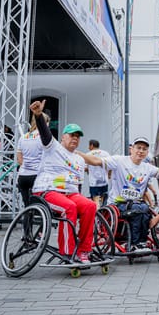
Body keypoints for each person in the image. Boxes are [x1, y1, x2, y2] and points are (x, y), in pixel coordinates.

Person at [78, 136, 159, 251]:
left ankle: (141, 242)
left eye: (144, 149)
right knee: (139, 208)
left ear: (147, 152)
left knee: (144, 208)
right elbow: (96, 161)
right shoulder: (119, 161)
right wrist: (76, 153)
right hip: (117, 204)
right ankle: (134, 243)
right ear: (131, 149)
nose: (141, 151)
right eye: (138, 148)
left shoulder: (147, 168)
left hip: (137, 204)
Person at [29, 100, 96, 264]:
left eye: (78, 136)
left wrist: (82, 201)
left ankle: (84, 250)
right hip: (47, 190)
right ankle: (68, 251)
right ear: (63, 137)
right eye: (72, 135)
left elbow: (78, 185)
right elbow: (45, 133)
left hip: (70, 193)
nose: (75, 138)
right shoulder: (53, 147)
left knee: (89, 206)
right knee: (69, 208)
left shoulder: (79, 160)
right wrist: (38, 115)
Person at [16, 112, 50, 206]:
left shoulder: (23, 137)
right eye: (47, 123)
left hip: (23, 176)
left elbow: (19, 160)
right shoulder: (44, 138)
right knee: (42, 206)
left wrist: (27, 166)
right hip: (37, 176)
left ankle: (27, 220)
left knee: (27, 207)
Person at [86, 139, 110, 206]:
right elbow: (110, 166)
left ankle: (97, 215)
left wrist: (88, 170)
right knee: (103, 200)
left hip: (94, 183)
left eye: (89, 146)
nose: (88, 147)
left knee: (96, 202)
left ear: (92, 145)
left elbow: (85, 167)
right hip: (104, 182)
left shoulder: (88, 154)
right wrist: (109, 175)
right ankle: (103, 214)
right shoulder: (106, 153)